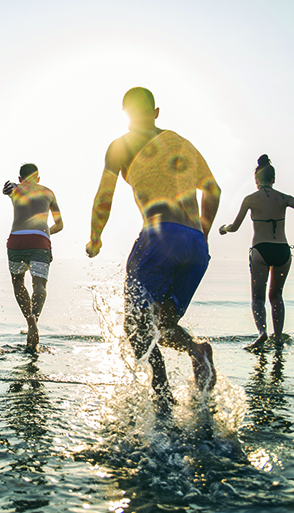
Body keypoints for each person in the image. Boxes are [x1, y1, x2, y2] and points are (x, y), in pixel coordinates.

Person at [86, 87, 221, 410]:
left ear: (126, 115)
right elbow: (213, 190)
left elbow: (105, 195)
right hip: (196, 248)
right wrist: (201, 235)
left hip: (160, 237)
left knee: (135, 328)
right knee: (163, 325)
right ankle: (197, 350)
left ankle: (162, 397)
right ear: (156, 113)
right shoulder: (181, 142)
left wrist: (95, 237)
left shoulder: (120, 146)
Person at [219, 154, 294, 350]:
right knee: (276, 296)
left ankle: (262, 333)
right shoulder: (284, 198)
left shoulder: (250, 199)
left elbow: (235, 226)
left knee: (258, 298)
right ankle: (277, 339)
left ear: (256, 180)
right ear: (273, 179)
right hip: (283, 251)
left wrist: (223, 228)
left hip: (261, 250)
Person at [3, 163, 63, 352]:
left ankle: (28, 318)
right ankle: (34, 319)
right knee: (39, 285)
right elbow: (59, 224)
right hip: (40, 242)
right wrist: (44, 233)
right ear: (38, 178)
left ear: (21, 179)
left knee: (18, 282)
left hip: (16, 241)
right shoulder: (49, 193)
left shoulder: (16, 190)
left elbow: (9, 188)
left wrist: (11, 188)